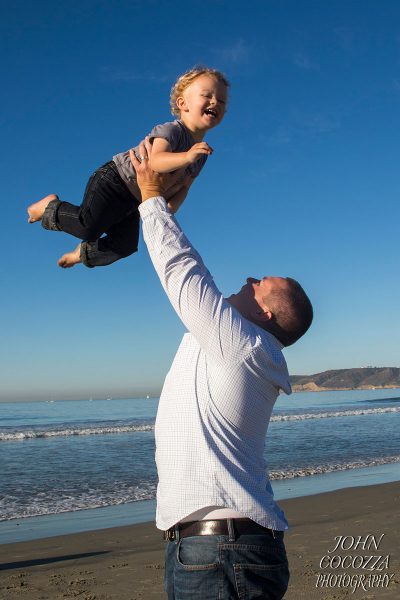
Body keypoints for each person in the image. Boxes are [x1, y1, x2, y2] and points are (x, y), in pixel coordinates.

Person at [131, 139, 313, 600]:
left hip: (221, 551)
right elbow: (195, 302)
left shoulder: (244, 345)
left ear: (266, 314)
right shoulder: (232, 347)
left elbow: (184, 274)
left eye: (260, 284)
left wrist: (151, 199)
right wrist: (175, 200)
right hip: (220, 548)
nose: (250, 279)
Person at [26, 66, 229, 268]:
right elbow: (156, 161)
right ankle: (49, 207)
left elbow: (184, 187)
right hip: (115, 180)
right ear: (182, 104)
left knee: (126, 246)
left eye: (221, 100)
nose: (214, 102)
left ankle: (82, 253)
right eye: (207, 95)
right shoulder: (172, 131)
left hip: (134, 201)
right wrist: (187, 156)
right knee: (88, 226)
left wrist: (167, 211)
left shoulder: (201, 154)